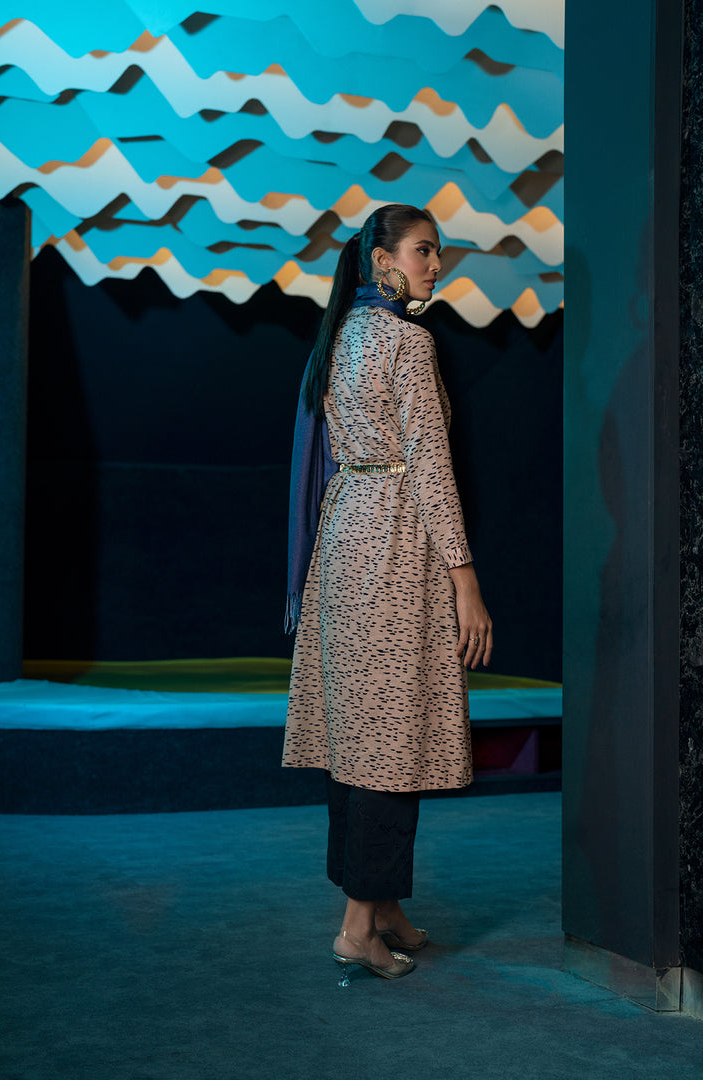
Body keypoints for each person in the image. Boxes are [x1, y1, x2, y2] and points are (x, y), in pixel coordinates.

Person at [282, 203, 492, 985]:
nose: (436, 265)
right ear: (382, 261)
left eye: (438, 252)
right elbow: (431, 468)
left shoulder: (340, 335)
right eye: (423, 251)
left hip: (346, 536)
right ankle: (356, 928)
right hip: (398, 540)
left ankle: (384, 908)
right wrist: (466, 581)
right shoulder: (408, 340)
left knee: (359, 735)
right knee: (391, 740)